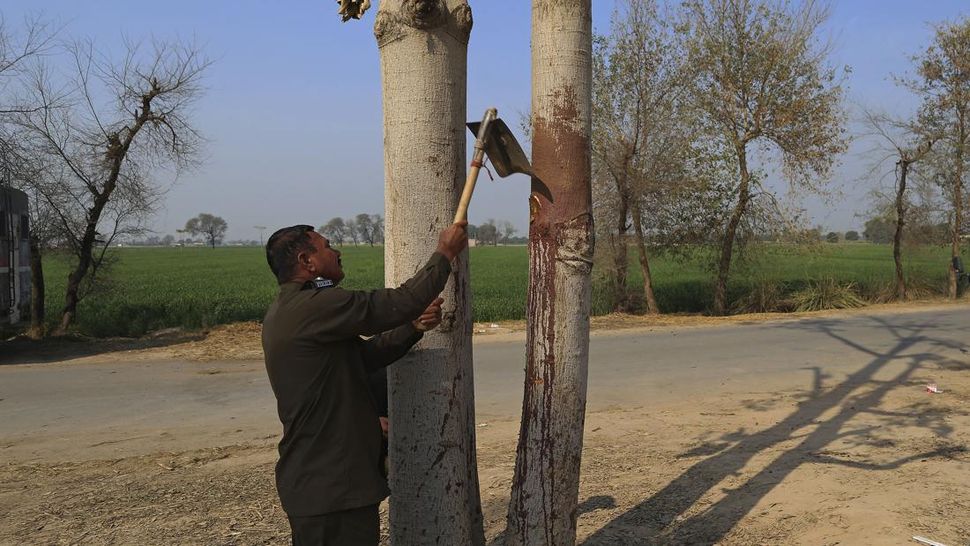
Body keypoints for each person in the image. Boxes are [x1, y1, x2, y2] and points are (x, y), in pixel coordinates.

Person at [261, 221, 468, 545]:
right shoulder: (316, 307)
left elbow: (363, 357)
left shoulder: (293, 311)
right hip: (332, 488)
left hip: (324, 486)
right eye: (327, 246)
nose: (337, 251)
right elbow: (400, 301)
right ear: (307, 261)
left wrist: (413, 327)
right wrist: (445, 252)